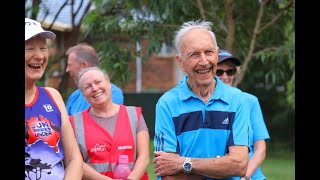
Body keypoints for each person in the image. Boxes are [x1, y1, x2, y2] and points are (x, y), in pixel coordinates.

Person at [153, 20, 250, 180]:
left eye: (209, 52)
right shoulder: (167, 104)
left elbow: (239, 165)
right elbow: (168, 174)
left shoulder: (237, 99)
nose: (204, 61)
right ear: (181, 62)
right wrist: (220, 165)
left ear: (217, 54)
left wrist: (184, 163)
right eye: (194, 54)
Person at [25, 17, 83, 180]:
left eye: (43, 48)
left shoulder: (52, 96)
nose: (39, 56)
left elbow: (73, 158)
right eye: (29, 48)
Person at [69, 66, 150, 180]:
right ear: (83, 94)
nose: (95, 88)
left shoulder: (134, 115)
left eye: (98, 82)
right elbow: (74, 162)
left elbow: (144, 156)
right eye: (88, 86)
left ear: (108, 83)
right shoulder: (73, 123)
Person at [217, 49, 270, 180]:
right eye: (219, 72)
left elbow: (260, 149)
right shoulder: (204, 104)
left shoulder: (250, 101)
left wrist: (245, 177)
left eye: (230, 71)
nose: (225, 77)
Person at [65, 43, 124, 116]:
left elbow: (107, 121)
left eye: (70, 65)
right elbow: (66, 125)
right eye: (88, 87)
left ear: (84, 66)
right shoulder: (74, 97)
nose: (67, 70)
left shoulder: (112, 92)